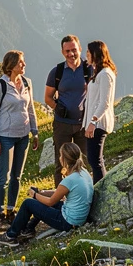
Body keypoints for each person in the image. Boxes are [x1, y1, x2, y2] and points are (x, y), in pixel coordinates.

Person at [0, 142, 92, 246]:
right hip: (77, 218)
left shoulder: (70, 180)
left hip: (68, 222)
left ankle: (10, 236)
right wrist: (41, 192)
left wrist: (34, 195)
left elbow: (50, 202)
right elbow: (59, 193)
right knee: (39, 201)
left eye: (60, 155)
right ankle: (28, 229)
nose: (59, 158)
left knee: (28, 203)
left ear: (64, 159)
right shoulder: (83, 172)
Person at [0, 50, 39, 228]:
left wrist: (35, 131)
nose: (24, 65)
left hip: (23, 136)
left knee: (17, 176)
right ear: (11, 65)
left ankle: (11, 210)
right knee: (4, 177)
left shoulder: (26, 83)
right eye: (20, 62)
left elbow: (30, 109)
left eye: (23, 62)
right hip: (5, 137)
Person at [44, 35, 92, 186]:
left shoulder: (89, 69)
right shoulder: (57, 72)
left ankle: (85, 191)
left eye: (74, 50)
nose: (71, 54)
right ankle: (61, 196)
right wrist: (58, 109)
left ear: (80, 49)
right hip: (62, 124)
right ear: (62, 52)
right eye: (67, 51)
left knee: (86, 161)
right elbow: (48, 97)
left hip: (83, 124)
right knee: (61, 163)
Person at [83, 40, 116, 184]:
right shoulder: (99, 73)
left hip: (98, 123)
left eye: (88, 52)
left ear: (95, 54)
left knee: (95, 160)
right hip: (94, 123)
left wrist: (93, 122)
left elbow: (105, 102)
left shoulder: (105, 74)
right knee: (93, 159)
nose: (86, 55)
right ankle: (99, 187)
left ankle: (100, 189)